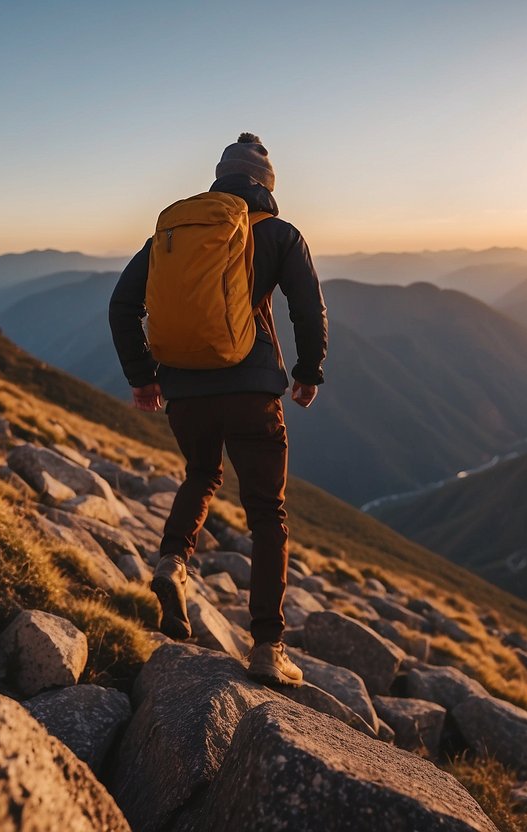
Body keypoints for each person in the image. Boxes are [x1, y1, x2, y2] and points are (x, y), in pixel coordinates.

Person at [108, 133, 328, 686]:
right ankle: (267, 647)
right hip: (252, 394)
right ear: (266, 185)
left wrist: (143, 379)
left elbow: (122, 306)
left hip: (184, 393)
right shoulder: (280, 234)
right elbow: (307, 308)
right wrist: (307, 371)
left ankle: (173, 563)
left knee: (202, 474)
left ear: (221, 180)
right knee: (266, 514)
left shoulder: (175, 235)